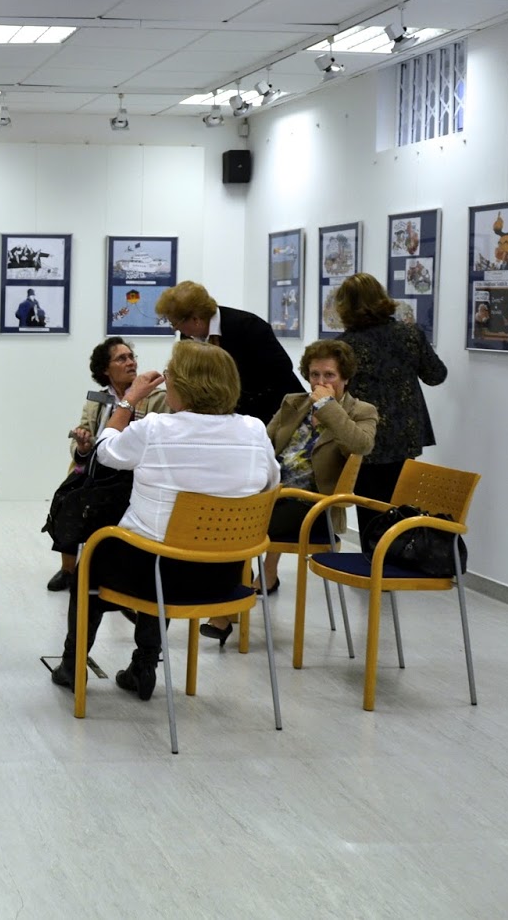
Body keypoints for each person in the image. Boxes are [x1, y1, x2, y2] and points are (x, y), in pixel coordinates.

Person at [51, 341, 278, 700]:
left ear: (184, 384)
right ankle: (144, 664)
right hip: (226, 575)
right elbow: (271, 483)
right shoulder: (254, 430)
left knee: (95, 563)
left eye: (171, 374)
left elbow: (104, 453)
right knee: (164, 548)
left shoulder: (156, 428)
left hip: (158, 575)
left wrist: (128, 401)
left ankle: (72, 664)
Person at [200, 339, 378, 644]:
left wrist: (328, 407)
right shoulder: (293, 403)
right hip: (272, 494)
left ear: (345, 378)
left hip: (314, 506)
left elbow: (360, 445)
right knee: (220, 518)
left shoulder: (362, 411)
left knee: (238, 528)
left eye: (329, 375)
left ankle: (225, 611)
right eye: (315, 375)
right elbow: (264, 443)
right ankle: (236, 591)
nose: (320, 383)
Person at [45, 336, 169, 592]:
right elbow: (83, 435)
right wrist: (82, 445)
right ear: (105, 369)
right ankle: (68, 569)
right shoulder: (96, 400)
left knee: (94, 499)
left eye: (131, 357)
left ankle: (105, 568)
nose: (130, 362)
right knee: (68, 496)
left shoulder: (156, 398)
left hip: (135, 471)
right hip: (100, 468)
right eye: (121, 358)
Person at [334, 273, 447, 532]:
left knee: (370, 511)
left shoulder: (344, 345)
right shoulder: (410, 334)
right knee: (402, 510)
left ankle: (373, 556)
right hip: (405, 435)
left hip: (364, 436)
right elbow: (436, 375)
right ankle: (399, 554)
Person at [155, 280, 303, 420]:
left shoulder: (248, 326)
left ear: (195, 319)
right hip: (227, 415)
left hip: (277, 411)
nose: (175, 329)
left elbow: (280, 369)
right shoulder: (188, 336)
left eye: (175, 323)